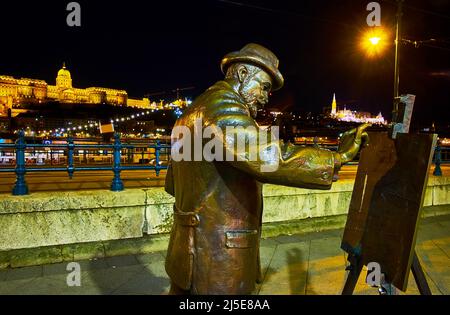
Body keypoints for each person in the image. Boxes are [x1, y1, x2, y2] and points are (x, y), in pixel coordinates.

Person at [164, 43, 369, 294]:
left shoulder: (190, 112)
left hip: (187, 251)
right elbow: (266, 154)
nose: (264, 97)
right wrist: (337, 157)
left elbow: (172, 185)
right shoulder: (221, 105)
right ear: (241, 75)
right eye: (263, 87)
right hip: (217, 255)